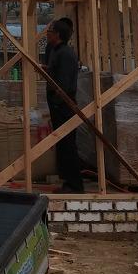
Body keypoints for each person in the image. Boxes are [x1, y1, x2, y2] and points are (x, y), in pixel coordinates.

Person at [46, 18, 84, 193]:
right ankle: (68, 183)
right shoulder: (56, 51)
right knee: (63, 145)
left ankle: (75, 186)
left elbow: (65, 85)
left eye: (50, 31)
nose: (47, 34)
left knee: (68, 145)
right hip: (58, 105)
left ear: (58, 34)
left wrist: (56, 102)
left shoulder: (66, 54)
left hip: (64, 106)